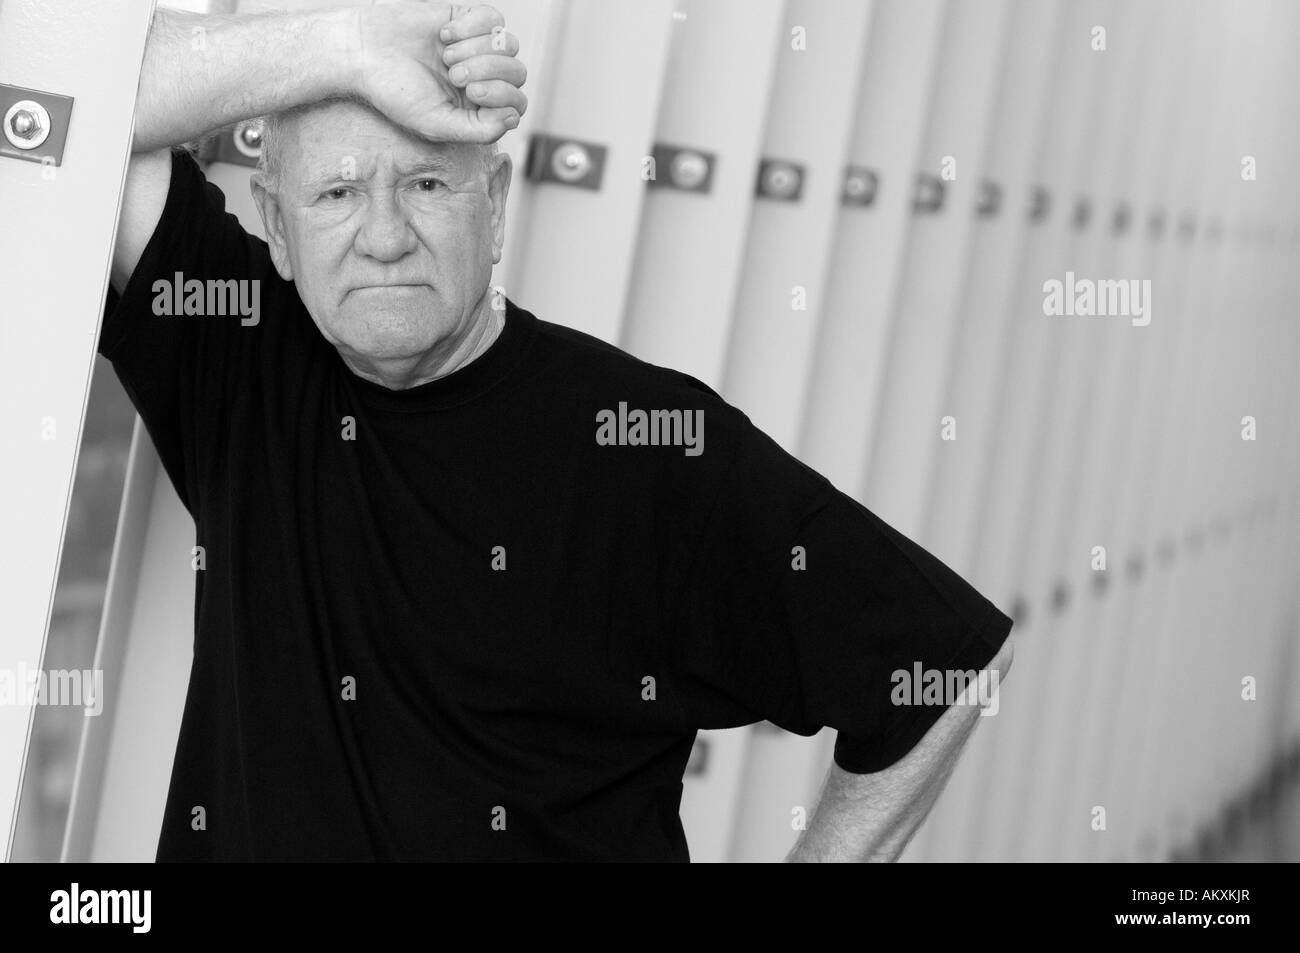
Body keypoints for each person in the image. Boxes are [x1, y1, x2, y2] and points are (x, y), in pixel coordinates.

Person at [104, 2, 1013, 862]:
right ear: (276, 224)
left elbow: (938, 666)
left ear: (494, 205)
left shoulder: (646, 444)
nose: (383, 237)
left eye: (426, 183)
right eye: (337, 192)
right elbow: (69, 76)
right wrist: (350, 44)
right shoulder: (235, 354)